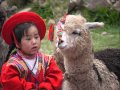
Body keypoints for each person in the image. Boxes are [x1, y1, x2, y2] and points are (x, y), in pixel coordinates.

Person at [0, 11, 63, 90]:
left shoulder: (48, 60)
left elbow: (56, 76)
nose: (34, 41)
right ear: (17, 43)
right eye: (28, 39)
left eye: (36, 37)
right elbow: (11, 84)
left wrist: (45, 87)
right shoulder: (11, 66)